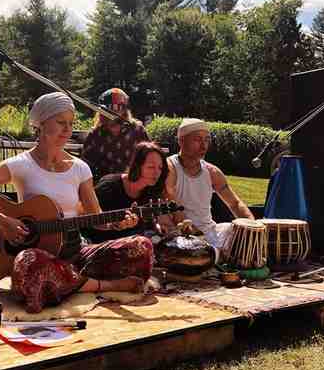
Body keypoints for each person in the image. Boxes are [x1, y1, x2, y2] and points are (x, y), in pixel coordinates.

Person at [0, 92, 154, 314]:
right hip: (38, 255)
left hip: (76, 253)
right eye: (61, 122)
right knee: (29, 265)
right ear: (41, 124)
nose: (67, 130)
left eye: (70, 123)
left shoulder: (80, 168)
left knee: (142, 246)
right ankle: (104, 285)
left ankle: (70, 282)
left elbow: (97, 218)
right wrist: (2, 221)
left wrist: (117, 224)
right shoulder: (20, 165)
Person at [165, 118, 255, 249]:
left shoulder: (212, 171)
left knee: (240, 232)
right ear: (181, 140)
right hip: (181, 234)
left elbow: (235, 204)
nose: (204, 146)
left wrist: (253, 227)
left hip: (210, 232)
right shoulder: (170, 167)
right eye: (197, 140)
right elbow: (172, 204)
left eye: (206, 140)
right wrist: (193, 234)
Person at [87, 141, 174, 243]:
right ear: (137, 166)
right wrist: (113, 225)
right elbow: (88, 220)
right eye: (151, 167)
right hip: (102, 243)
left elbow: (149, 221)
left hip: (135, 242)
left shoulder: (151, 189)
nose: (156, 173)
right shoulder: (109, 186)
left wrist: (158, 227)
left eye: (160, 168)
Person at [81, 88, 150, 182]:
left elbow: (149, 155)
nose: (115, 111)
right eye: (110, 107)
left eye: (119, 107)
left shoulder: (137, 129)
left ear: (125, 109)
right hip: (106, 184)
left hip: (133, 182)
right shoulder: (96, 133)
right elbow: (86, 165)